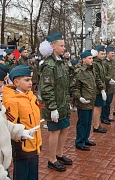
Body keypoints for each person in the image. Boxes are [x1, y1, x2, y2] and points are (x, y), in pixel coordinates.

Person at [40, 32, 72, 172]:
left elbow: (64, 84)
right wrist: (53, 108)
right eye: (62, 45)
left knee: (64, 129)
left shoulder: (61, 62)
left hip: (63, 104)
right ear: (53, 46)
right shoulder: (49, 65)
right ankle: (52, 159)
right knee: (55, 131)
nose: (64, 48)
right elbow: (46, 88)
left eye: (64, 45)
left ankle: (59, 154)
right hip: (54, 106)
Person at [3, 65, 42, 180]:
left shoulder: (31, 96)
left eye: (30, 79)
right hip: (22, 146)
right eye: (27, 80)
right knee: (21, 175)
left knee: (33, 174)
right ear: (16, 82)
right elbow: (10, 125)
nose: (31, 82)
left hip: (35, 142)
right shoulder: (12, 101)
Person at [71, 50, 97, 151]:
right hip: (83, 102)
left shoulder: (91, 70)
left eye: (92, 58)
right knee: (82, 123)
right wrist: (79, 97)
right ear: (83, 60)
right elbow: (74, 87)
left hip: (90, 100)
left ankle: (85, 138)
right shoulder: (79, 72)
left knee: (88, 121)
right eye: (89, 58)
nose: (91, 60)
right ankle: (79, 142)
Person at [100, 46, 115, 124]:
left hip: (111, 86)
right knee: (106, 103)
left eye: (114, 53)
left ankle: (107, 116)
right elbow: (103, 75)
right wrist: (109, 80)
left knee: (109, 102)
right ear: (107, 54)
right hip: (107, 86)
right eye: (112, 53)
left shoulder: (111, 62)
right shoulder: (105, 63)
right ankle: (103, 118)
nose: (113, 55)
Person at [92, 45, 107, 133]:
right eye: (102, 53)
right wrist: (101, 89)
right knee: (97, 107)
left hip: (101, 88)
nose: (103, 55)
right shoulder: (95, 63)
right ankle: (96, 126)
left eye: (104, 53)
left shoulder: (100, 62)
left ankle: (97, 124)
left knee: (99, 107)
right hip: (97, 89)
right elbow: (96, 77)